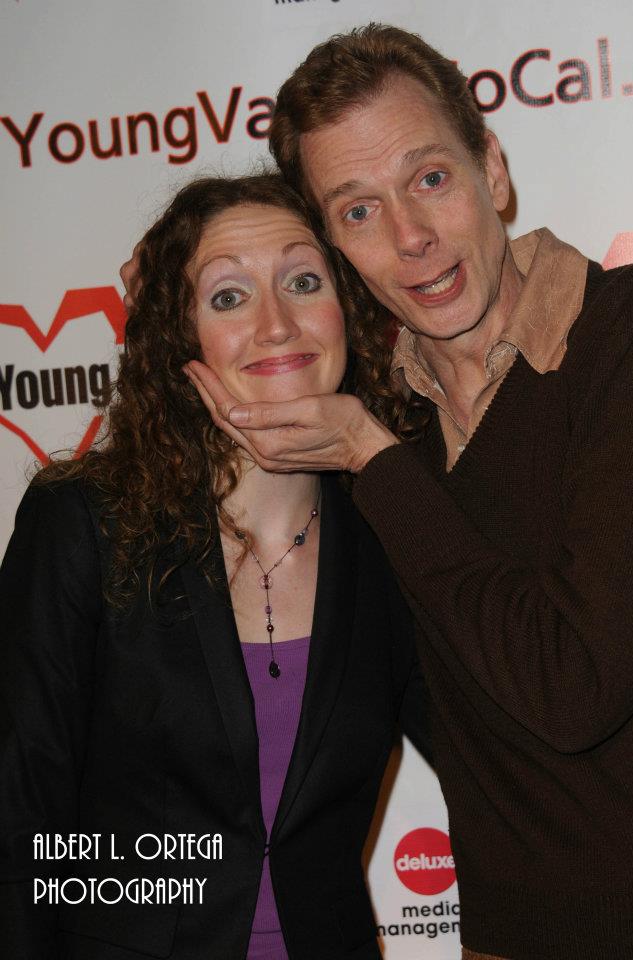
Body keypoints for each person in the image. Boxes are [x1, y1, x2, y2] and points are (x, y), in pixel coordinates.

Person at [179, 24, 633, 960]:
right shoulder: (387, 430)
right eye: (356, 211)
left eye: (429, 179)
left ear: (493, 167)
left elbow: (571, 685)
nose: (409, 237)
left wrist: (371, 457)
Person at [0, 173, 432, 960]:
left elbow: (510, 749)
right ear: (178, 336)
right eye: (228, 297)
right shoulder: (83, 523)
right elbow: (18, 814)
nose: (275, 324)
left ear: (350, 314)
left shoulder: (394, 536)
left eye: (304, 282)